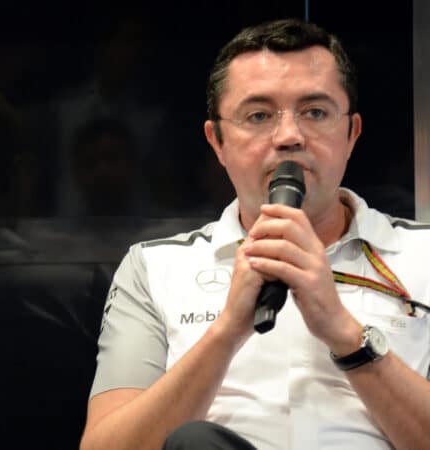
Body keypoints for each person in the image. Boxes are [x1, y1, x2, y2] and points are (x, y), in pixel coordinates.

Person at [80, 19, 430, 450]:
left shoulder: (424, 254)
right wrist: (227, 331)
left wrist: (344, 333)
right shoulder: (154, 268)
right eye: (259, 115)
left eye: (315, 112)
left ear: (351, 133)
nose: (288, 137)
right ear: (218, 142)